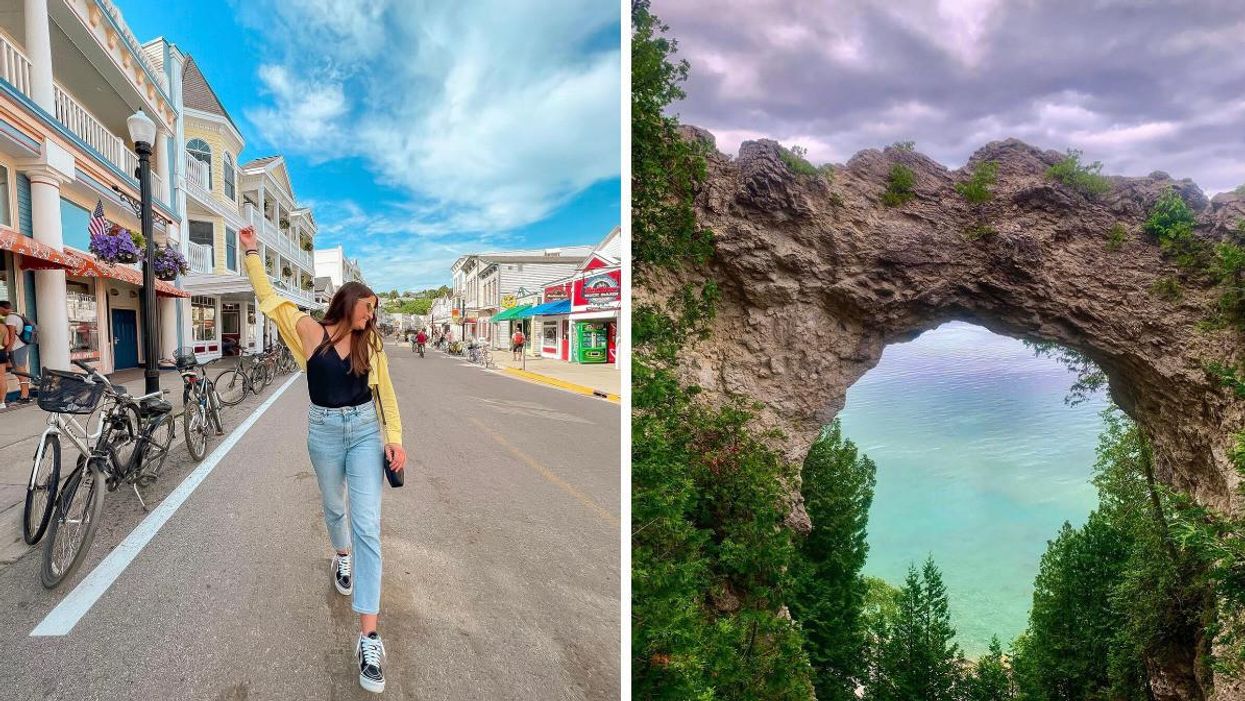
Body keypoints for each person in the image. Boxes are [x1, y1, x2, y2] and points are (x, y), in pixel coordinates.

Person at [239, 226, 406, 693]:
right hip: (325, 432)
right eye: (368, 305)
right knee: (335, 509)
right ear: (348, 301)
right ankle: (341, 556)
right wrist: (252, 252)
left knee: (368, 524)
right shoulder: (309, 332)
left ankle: (369, 637)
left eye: (375, 308)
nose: (373, 314)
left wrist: (395, 437)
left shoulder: (371, 344)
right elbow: (270, 298)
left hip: (365, 431)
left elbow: (387, 395)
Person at [1, 300, 33, 409]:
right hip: (22, 346)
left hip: (17, 348)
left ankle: (25, 396)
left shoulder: (10, 318)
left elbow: (12, 337)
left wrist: (7, 351)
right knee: (22, 371)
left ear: (2, 308)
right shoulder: (17, 315)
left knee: (20, 372)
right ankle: (25, 395)